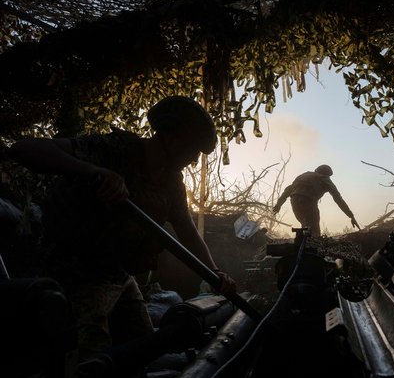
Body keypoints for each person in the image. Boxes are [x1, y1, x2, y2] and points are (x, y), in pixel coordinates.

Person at [8, 95, 236, 358]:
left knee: (143, 350)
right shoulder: (114, 150)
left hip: (118, 274)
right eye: (192, 151)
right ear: (172, 139)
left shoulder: (171, 182)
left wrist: (215, 273)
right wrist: (93, 172)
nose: (194, 160)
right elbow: (22, 149)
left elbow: (186, 230)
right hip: (76, 273)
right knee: (89, 361)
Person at [273, 164, 360, 237]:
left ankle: (302, 249)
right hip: (308, 202)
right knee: (314, 232)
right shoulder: (324, 178)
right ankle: (311, 252)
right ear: (327, 174)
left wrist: (278, 205)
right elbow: (338, 198)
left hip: (295, 203)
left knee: (306, 227)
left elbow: (287, 191)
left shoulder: (303, 176)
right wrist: (350, 215)